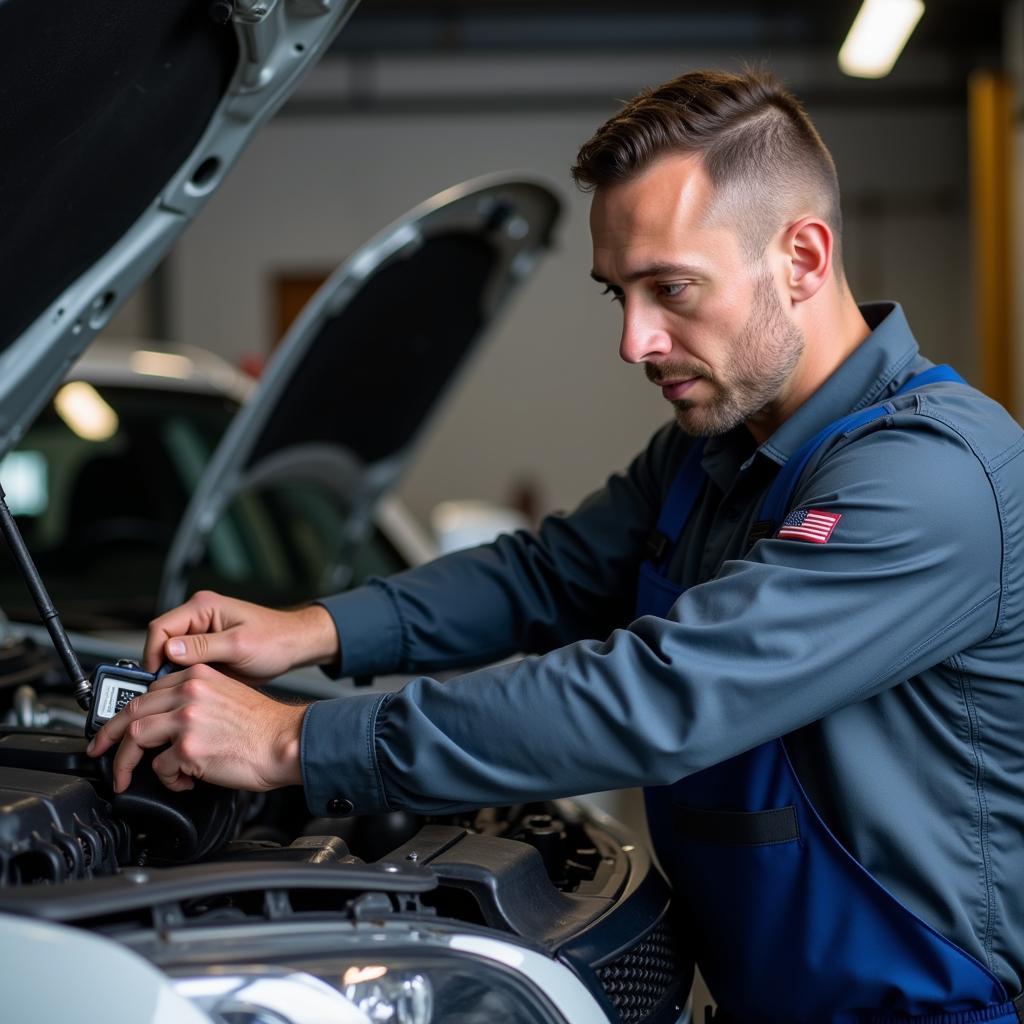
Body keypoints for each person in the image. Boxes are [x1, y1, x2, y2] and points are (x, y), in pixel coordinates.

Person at [88, 69, 1024, 1023]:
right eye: (617, 293)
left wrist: (294, 738)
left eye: (670, 288)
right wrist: (309, 629)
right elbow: (545, 575)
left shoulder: (932, 479)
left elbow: (661, 695)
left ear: (804, 257)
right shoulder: (709, 452)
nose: (634, 340)